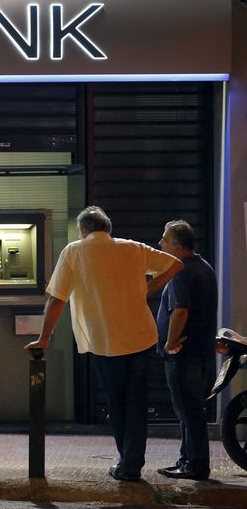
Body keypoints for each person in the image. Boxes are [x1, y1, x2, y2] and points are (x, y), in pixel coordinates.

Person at [24, 206, 183, 482]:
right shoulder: (132, 248)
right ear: (107, 228)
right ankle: (132, 463)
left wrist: (44, 337)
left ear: (83, 230)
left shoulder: (74, 251)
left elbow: (57, 298)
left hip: (105, 342)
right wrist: (148, 287)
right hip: (142, 338)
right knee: (136, 401)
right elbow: (175, 264)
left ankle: (128, 464)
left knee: (117, 402)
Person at [155, 220, 217, 480]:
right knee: (189, 409)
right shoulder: (203, 267)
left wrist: (170, 342)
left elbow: (180, 310)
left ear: (178, 247)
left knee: (188, 410)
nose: (160, 244)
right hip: (199, 351)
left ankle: (196, 463)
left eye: (165, 240)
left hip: (184, 353)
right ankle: (186, 459)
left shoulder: (181, 272)